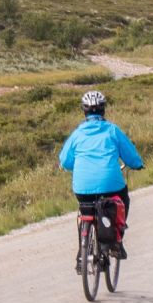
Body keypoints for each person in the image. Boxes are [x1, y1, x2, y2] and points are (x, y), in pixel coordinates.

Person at [59, 89, 144, 270]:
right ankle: (116, 242)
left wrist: (76, 167)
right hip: (110, 184)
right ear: (103, 109)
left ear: (84, 111)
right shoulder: (112, 130)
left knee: (84, 210)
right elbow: (130, 155)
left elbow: (65, 161)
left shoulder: (77, 134)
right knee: (123, 200)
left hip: (82, 187)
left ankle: (83, 249)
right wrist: (137, 164)